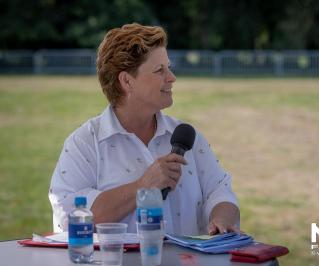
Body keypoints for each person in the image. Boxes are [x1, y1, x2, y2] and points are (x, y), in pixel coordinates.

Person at [49, 23, 239, 236]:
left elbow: (220, 191)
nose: (171, 77)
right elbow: (69, 216)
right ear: (127, 81)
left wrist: (221, 219)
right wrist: (144, 186)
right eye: (160, 70)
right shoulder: (84, 143)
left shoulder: (186, 136)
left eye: (168, 67)